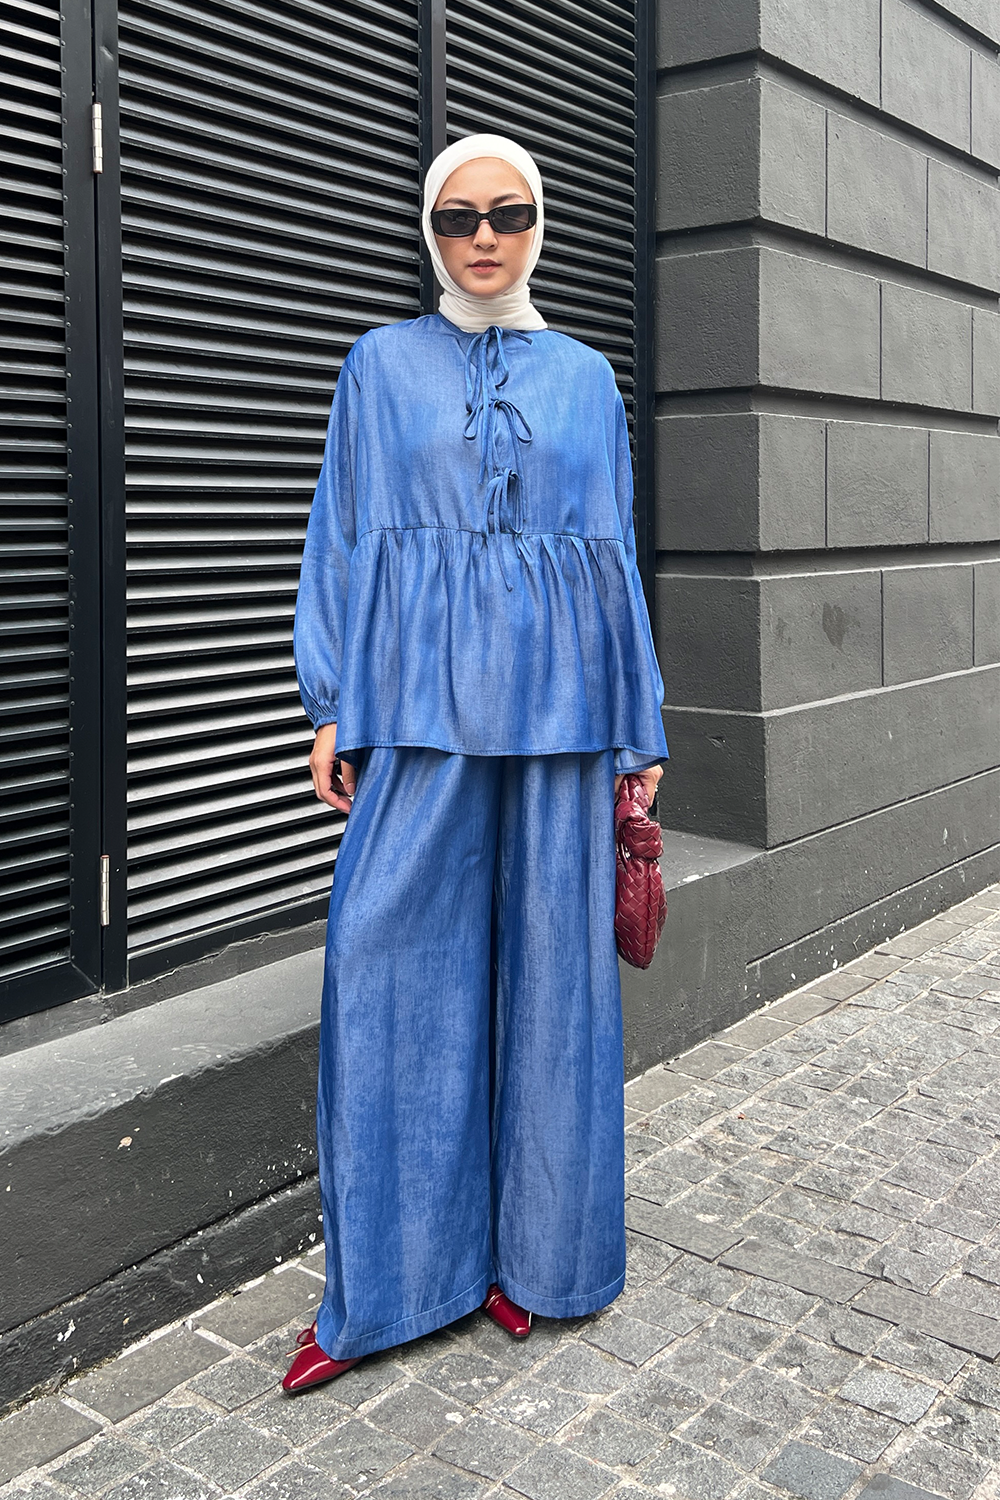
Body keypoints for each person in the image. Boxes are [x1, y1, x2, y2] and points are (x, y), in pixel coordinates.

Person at [283, 133, 668, 1393]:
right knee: (387, 967)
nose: (483, 237)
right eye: (457, 218)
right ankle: (393, 1286)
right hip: (423, 711)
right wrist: (332, 698)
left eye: (507, 213)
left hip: (562, 723)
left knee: (554, 992)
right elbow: (340, 531)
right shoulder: (377, 367)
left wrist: (638, 726)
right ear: (429, 231)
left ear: (539, 224)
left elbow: (613, 550)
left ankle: (539, 1263)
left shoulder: (585, 377)